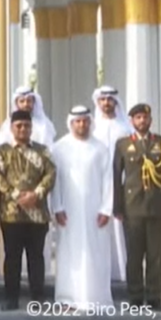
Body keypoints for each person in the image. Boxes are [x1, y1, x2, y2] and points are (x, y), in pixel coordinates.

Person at [112, 102, 161, 309]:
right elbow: (116, 177)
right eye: (138, 118)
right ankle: (136, 297)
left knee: (155, 255)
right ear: (132, 121)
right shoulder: (123, 144)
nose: (142, 121)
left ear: (150, 120)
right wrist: (117, 207)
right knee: (134, 255)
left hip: (157, 205)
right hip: (132, 208)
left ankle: (155, 297)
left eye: (145, 118)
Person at [50, 106, 114, 309]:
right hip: (68, 212)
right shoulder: (59, 148)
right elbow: (55, 181)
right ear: (71, 123)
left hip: (95, 213)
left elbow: (108, 181)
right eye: (78, 121)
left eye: (85, 121)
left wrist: (106, 209)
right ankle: (68, 297)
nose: (82, 125)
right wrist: (57, 207)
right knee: (69, 254)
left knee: (95, 253)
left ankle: (96, 297)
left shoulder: (100, 148)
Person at [0, 108, 55, 310]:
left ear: (32, 128)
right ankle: (11, 298)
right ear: (11, 128)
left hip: (37, 213)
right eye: (19, 126)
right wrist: (18, 195)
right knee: (12, 258)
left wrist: (36, 194)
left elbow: (50, 174)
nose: (23, 129)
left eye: (27, 126)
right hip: (11, 214)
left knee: (36, 257)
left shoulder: (42, 151)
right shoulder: (2, 151)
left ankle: (37, 297)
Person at [90, 85, 129, 285]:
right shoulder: (92, 127)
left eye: (110, 99)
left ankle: (120, 272)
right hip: (96, 185)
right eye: (103, 99)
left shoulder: (125, 128)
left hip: (120, 184)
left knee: (119, 228)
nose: (106, 103)